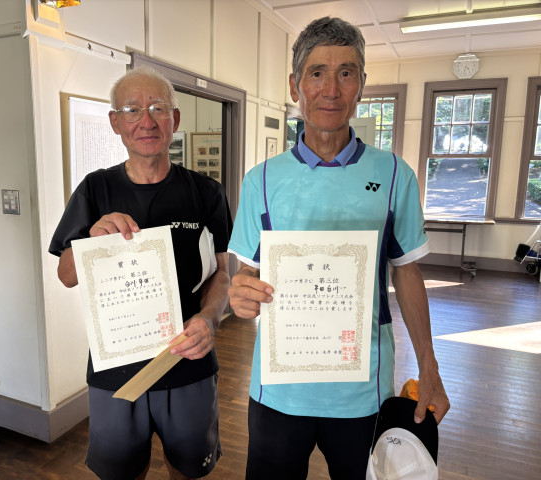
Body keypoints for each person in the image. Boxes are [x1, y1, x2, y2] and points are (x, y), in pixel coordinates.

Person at [227, 16, 450, 480]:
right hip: (279, 387)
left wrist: (428, 364)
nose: (331, 89)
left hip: (362, 390)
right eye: (317, 73)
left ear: (361, 86)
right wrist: (240, 293)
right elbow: (246, 271)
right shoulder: (261, 180)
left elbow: (407, 271)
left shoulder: (395, 175)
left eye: (346, 73)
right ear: (295, 86)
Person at [49, 66, 232, 480]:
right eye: (132, 110)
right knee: (122, 471)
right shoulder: (95, 189)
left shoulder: (206, 192)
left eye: (157, 108)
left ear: (175, 119)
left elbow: (222, 272)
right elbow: (66, 274)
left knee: (188, 468)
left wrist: (210, 318)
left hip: (188, 359)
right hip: (116, 366)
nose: (146, 121)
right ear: (116, 122)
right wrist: (92, 239)